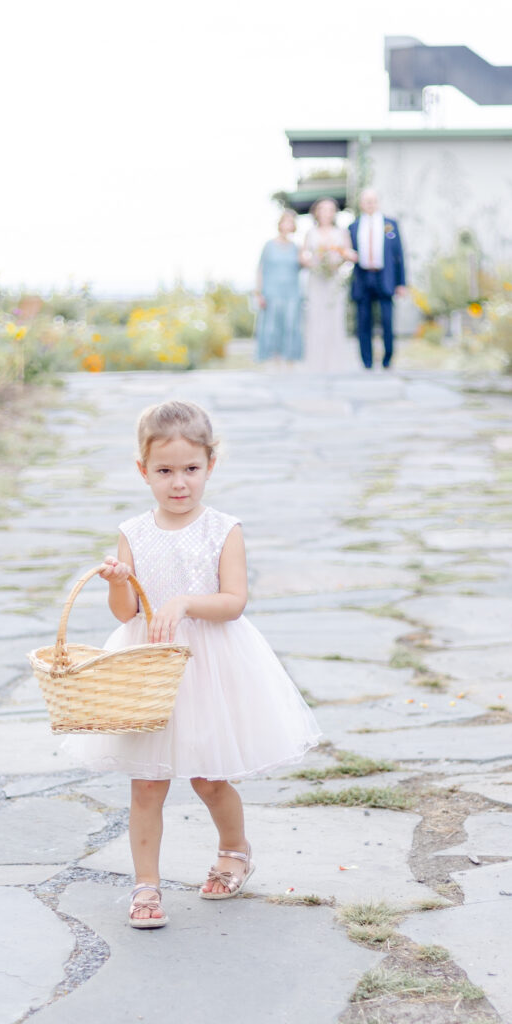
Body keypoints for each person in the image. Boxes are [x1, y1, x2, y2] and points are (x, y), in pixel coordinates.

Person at [64, 401, 322, 928]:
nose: (178, 483)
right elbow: (127, 611)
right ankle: (146, 885)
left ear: (210, 465)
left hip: (208, 664)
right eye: (164, 471)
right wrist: (119, 584)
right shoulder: (133, 531)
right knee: (147, 781)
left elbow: (233, 601)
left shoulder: (223, 529)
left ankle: (234, 848)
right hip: (148, 667)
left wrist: (182, 602)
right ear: (143, 471)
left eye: (190, 469)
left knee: (208, 776)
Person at [348, 188, 407, 369]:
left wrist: (401, 283)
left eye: (373, 200)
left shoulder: (390, 224)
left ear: (378, 202)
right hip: (363, 277)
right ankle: (367, 361)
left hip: (385, 277)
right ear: (361, 204)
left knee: (387, 320)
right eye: (366, 201)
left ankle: (387, 358)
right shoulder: (354, 226)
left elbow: (399, 254)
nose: (370, 204)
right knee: (364, 321)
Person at [300, 197, 357, 372]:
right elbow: (303, 257)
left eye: (330, 210)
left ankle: (335, 363)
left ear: (334, 213)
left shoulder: (341, 233)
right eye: (323, 209)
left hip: (334, 280)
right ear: (317, 212)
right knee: (316, 318)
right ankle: (316, 363)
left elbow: (352, 255)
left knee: (335, 317)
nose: (326, 213)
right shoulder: (311, 233)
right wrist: (314, 261)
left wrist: (338, 255)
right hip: (317, 280)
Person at [254, 210, 304, 363]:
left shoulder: (297, 247)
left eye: (291, 223)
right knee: (271, 327)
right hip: (272, 292)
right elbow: (260, 270)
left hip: (292, 292)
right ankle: (272, 359)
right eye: (285, 222)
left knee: (291, 325)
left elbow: (304, 265)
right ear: (279, 224)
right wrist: (258, 293)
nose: (287, 225)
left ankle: (290, 360)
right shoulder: (269, 246)